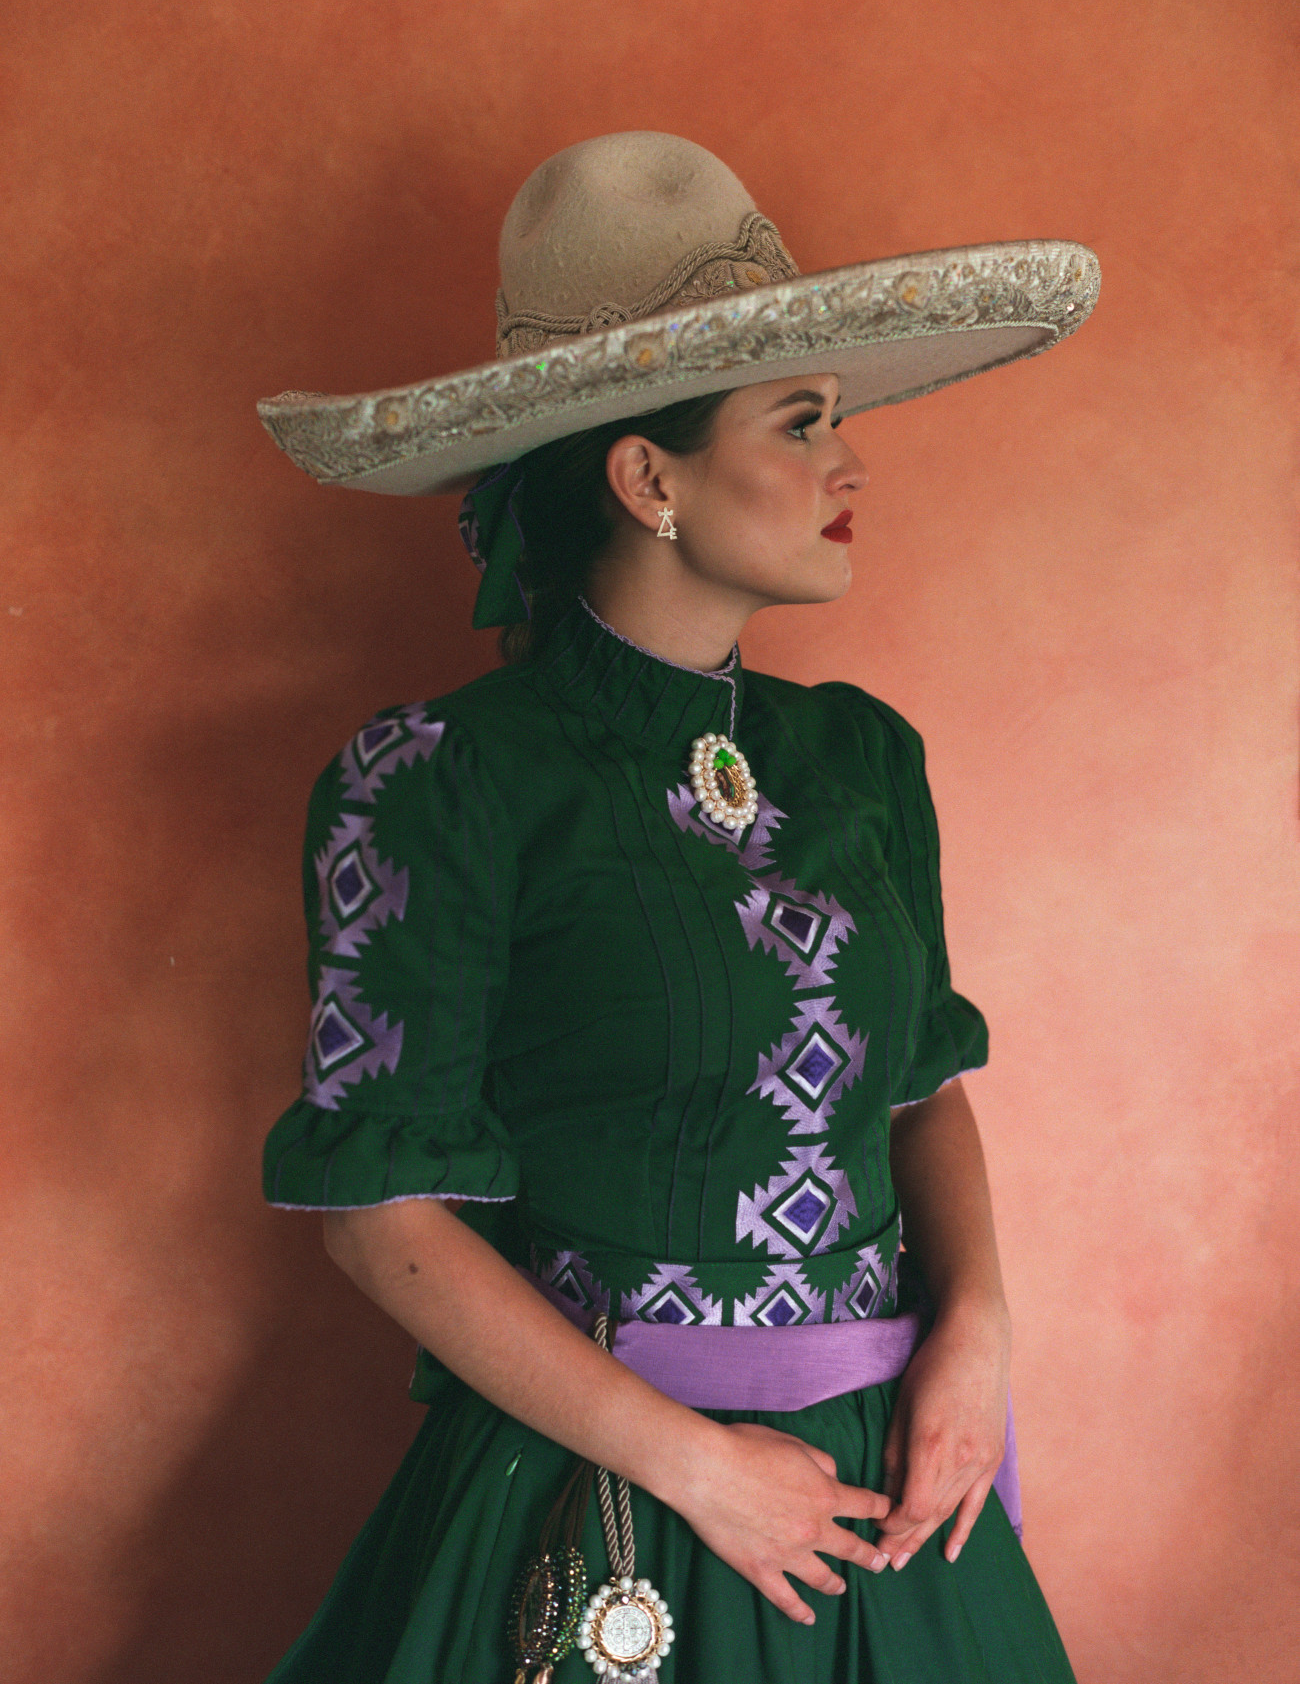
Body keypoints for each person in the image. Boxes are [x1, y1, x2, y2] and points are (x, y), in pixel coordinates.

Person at [257, 132, 1098, 1683]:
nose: (850, 467)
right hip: (607, 1492)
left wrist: (977, 1331)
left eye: (839, 419)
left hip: (885, 1487)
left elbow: (919, 1090)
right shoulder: (443, 778)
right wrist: (698, 1467)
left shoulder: (859, 759)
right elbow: (381, 1220)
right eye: (801, 421)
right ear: (648, 477)